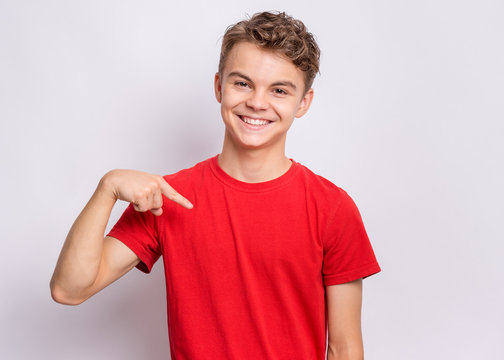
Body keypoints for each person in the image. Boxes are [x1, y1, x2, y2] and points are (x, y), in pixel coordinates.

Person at [50, 11, 380, 360]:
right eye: (242, 83)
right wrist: (108, 188)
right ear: (218, 86)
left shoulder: (331, 208)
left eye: (279, 90)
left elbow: (343, 348)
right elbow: (69, 289)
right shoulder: (167, 197)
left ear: (303, 103)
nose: (256, 102)